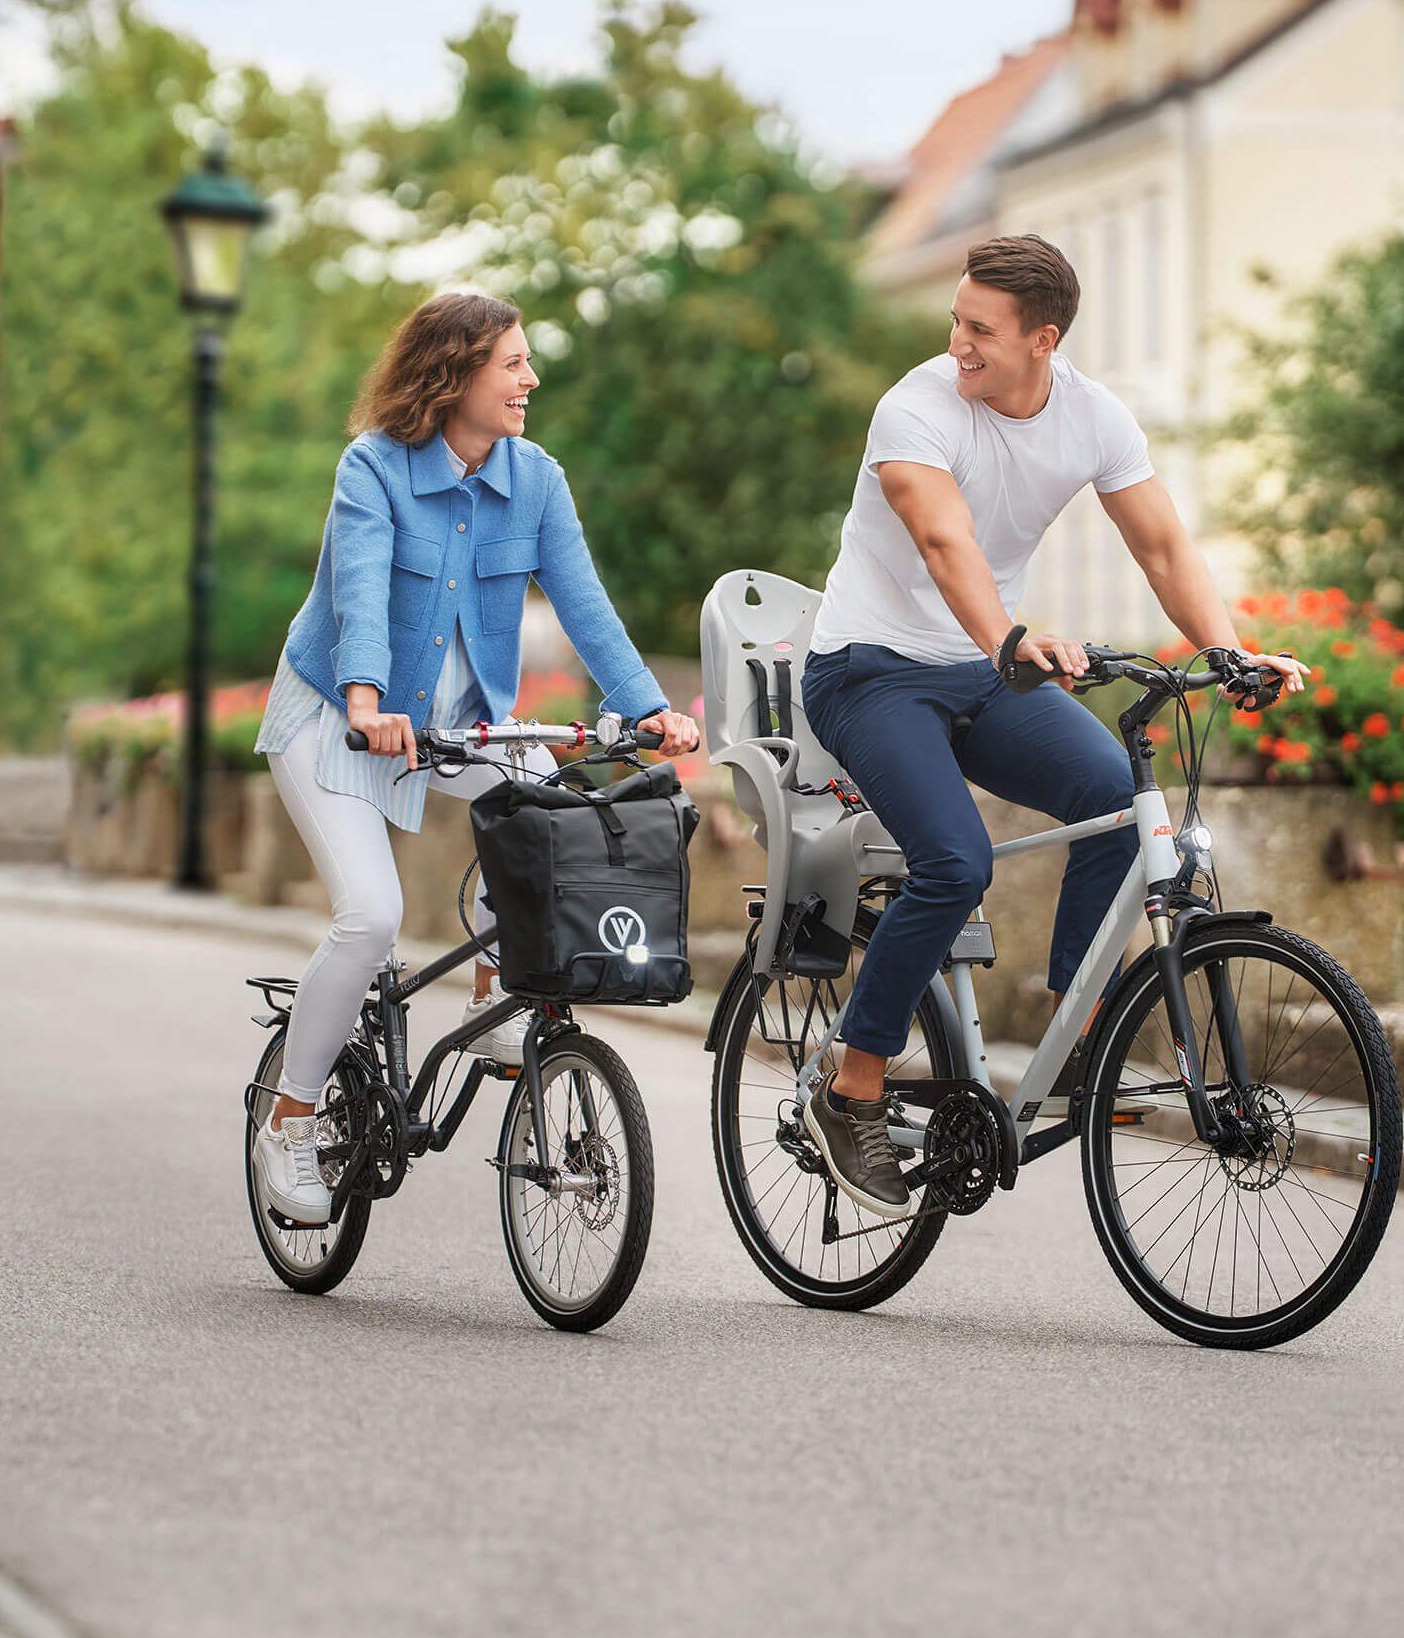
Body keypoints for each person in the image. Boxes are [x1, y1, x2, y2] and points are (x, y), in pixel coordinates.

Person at [795, 234, 1307, 1220]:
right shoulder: (916, 409)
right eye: (955, 320)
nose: (958, 344)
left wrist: (1231, 649)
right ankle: (852, 1083)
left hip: (988, 672)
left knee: (1119, 796)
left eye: (979, 329)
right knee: (954, 862)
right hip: (871, 671)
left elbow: (1161, 545)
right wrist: (1010, 637)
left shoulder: (1092, 416)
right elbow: (946, 544)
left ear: (1045, 338)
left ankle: (1080, 1034)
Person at [249, 291, 699, 1226]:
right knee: (371, 918)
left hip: (455, 724)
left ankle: (497, 990)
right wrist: (368, 702)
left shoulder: (535, 480)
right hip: (336, 715)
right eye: (513, 363)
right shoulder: (372, 468)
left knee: (549, 816)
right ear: (454, 373)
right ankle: (289, 1117)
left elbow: (585, 604)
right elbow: (359, 589)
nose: (531, 379)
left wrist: (648, 706)